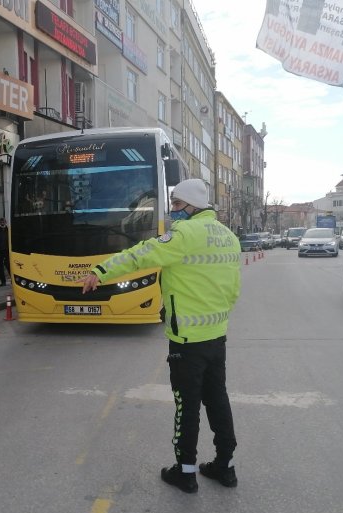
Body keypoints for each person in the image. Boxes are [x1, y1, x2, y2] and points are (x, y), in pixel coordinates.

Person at [81, 178, 241, 494]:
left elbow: (141, 254)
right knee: (218, 399)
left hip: (186, 340)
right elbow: (233, 289)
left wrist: (100, 272)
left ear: (193, 206)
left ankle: (186, 473)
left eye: (178, 205)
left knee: (187, 406)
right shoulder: (228, 237)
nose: (174, 212)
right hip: (216, 335)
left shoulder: (184, 235)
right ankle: (225, 466)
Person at [0, 218, 10, 286]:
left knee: (8, 265)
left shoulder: (8, 230)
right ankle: (3, 282)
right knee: (0, 267)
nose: (2, 223)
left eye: (3, 222)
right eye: (1, 222)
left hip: (7, 250)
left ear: (5, 222)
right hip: (0, 250)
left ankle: (13, 280)